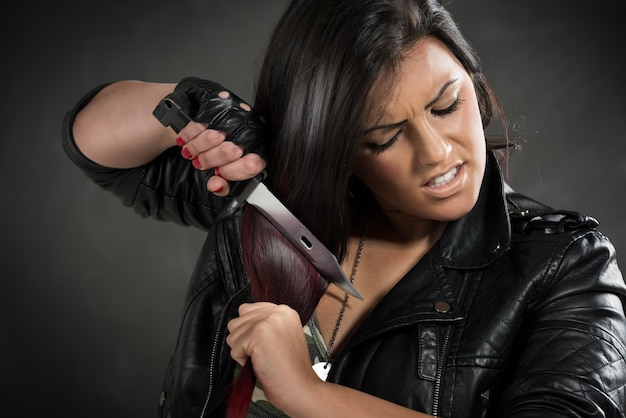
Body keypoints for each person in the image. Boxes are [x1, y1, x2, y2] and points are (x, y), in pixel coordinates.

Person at [62, 0, 626, 417]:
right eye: (383, 138)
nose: (438, 154)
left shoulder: (565, 264)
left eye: (448, 105)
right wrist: (184, 103)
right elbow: (95, 145)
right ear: (335, 149)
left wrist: (308, 394)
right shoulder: (268, 199)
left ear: (474, 88)